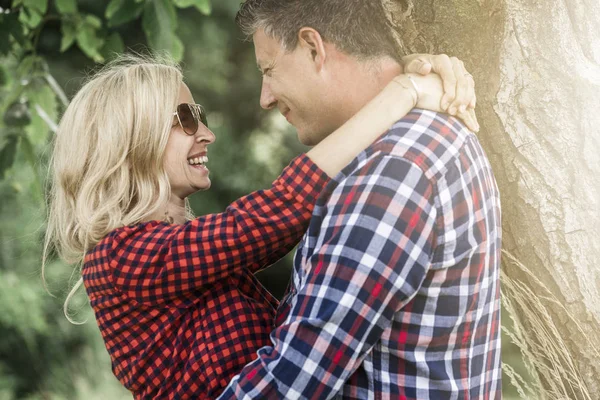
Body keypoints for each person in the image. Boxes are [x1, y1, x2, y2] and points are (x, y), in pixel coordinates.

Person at [43, 53, 476, 399]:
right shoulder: (120, 256)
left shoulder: (180, 252)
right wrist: (400, 91)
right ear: (131, 140)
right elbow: (276, 213)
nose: (207, 133)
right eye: (185, 119)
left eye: (200, 113)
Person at [217, 1, 502, 399]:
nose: (265, 97)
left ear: (313, 48)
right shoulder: (424, 138)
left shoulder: (391, 173)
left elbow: (294, 381)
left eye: (269, 70)